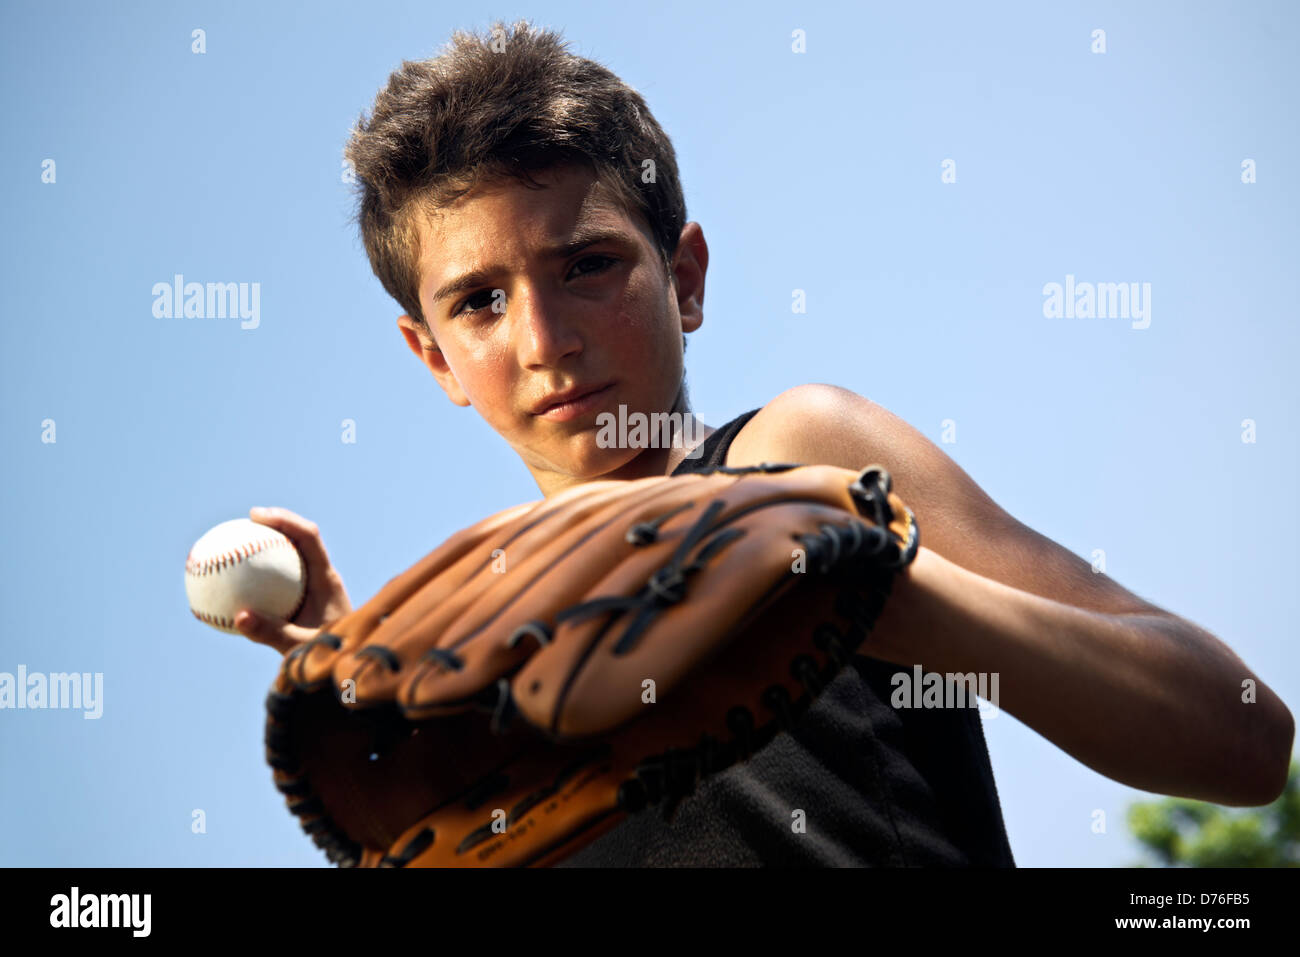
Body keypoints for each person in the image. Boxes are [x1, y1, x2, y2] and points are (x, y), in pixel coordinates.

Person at [235, 19, 1293, 865]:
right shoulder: (465, 673)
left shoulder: (788, 458)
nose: (545, 341)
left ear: (684, 278)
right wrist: (389, 694)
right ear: (433, 359)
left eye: (589, 265)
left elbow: (1243, 737)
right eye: (478, 301)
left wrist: (876, 587)